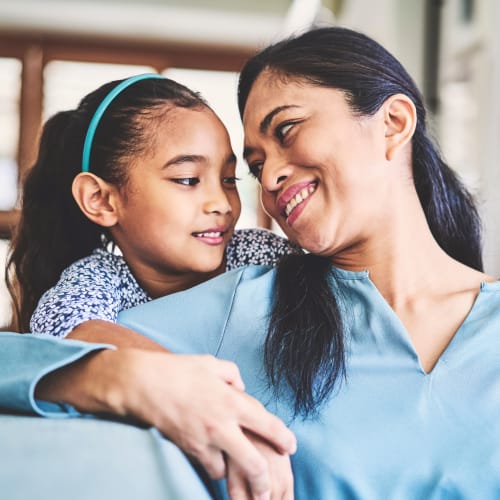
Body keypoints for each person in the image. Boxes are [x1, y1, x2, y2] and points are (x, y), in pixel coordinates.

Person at [113, 26, 500, 498]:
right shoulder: (249, 307)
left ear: (394, 123)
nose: (271, 178)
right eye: (256, 166)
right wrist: (165, 386)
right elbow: (53, 353)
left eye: (287, 131)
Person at [5, 73, 298, 499]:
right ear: (102, 200)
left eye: (230, 179)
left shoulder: (257, 253)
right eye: (187, 180)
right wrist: (196, 390)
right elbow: (68, 333)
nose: (222, 203)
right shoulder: (102, 278)